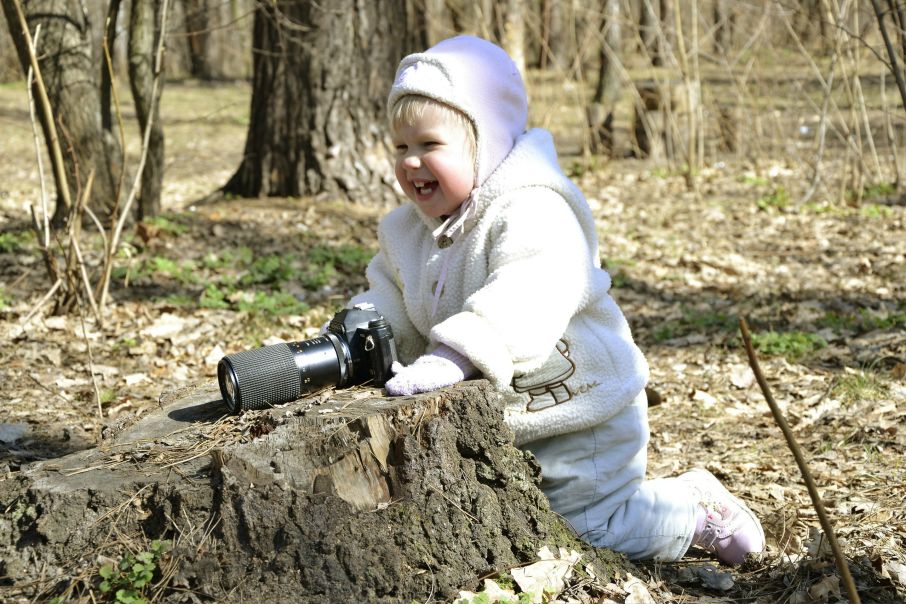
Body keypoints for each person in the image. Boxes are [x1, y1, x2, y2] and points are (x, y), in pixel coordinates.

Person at [347, 34, 765, 565]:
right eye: (401, 147)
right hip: (511, 421)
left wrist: (455, 354)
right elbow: (390, 293)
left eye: (430, 145)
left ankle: (692, 510)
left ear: (487, 141)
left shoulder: (535, 209)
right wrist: (362, 330)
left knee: (589, 528)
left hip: (581, 410)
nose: (410, 162)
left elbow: (529, 290)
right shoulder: (408, 230)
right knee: (513, 521)